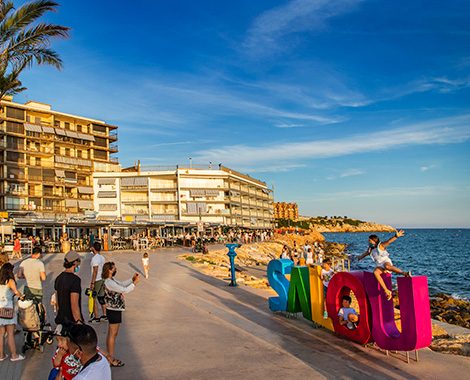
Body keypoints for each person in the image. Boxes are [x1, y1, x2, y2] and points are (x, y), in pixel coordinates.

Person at [103, 261, 139, 367]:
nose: (115, 269)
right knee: (113, 334)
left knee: (111, 333)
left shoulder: (110, 281)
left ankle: (109, 356)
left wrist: (131, 279)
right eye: (114, 268)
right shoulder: (109, 282)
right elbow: (124, 289)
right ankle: (111, 358)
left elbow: (121, 284)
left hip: (114, 310)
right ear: (109, 270)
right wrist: (134, 283)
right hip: (114, 310)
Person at [357, 230, 410, 301]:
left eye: (370, 240)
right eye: (368, 241)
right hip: (379, 265)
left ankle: (404, 273)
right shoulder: (370, 249)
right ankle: (386, 290)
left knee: (387, 267)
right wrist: (360, 257)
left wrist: (396, 236)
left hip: (385, 261)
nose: (369, 242)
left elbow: (388, 241)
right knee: (375, 272)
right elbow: (366, 253)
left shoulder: (380, 246)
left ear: (374, 240)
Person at [0, 263, 25, 361]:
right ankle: (14, 355)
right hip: (8, 310)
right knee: (10, 333)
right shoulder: (10, 281)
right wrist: (22, 296)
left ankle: (1, 356)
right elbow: (16, 292)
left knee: (1, 334)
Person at [54, 251, 83, 325]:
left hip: (61, 319)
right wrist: (79, 322)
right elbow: (74, 305)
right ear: (75, 263)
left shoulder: (59, 278)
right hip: (71, 321)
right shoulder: (75, 280)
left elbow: (57, 303)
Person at [89, 242, 106, 323]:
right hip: (102, 279)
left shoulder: (95, 258)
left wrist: (92, 282)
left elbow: (95, 271)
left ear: (93, 248)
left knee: (93, 298)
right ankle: (104, 315)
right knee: (101, 297)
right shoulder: (102, 257)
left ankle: (96, 317)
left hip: (97, 280)